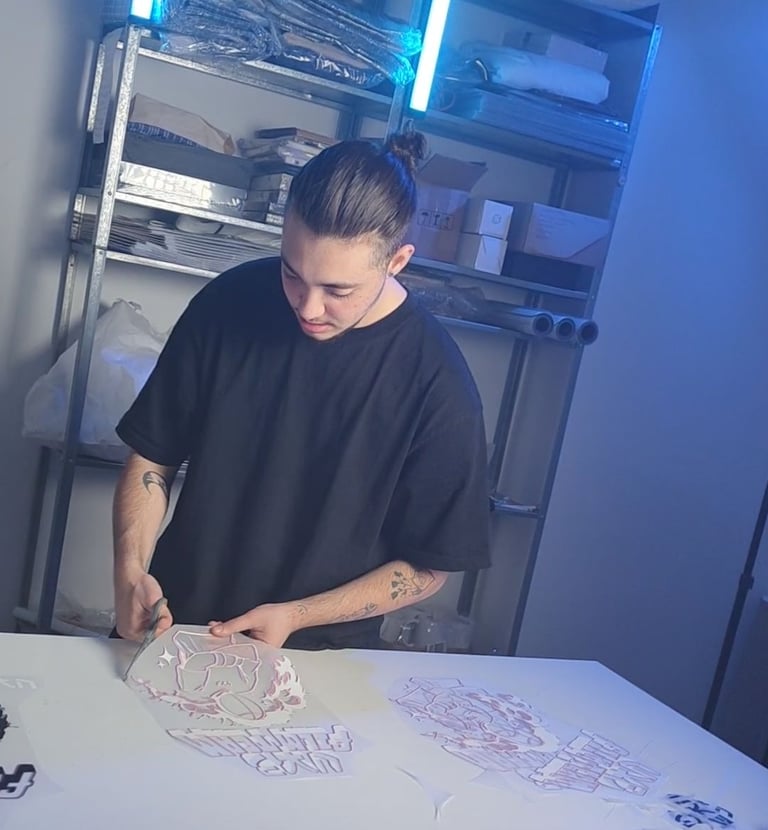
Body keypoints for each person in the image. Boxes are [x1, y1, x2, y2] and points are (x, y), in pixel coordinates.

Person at [112, 131, 491, 650]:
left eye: (338, 290)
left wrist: (296, 615)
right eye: (293, 274)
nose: (308, 307)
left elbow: (428, 566)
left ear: (397, 261)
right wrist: (130, 572)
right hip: (174, 626)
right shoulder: (230, 303)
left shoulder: (437, 384)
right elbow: (153, 455)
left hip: (320, 658)